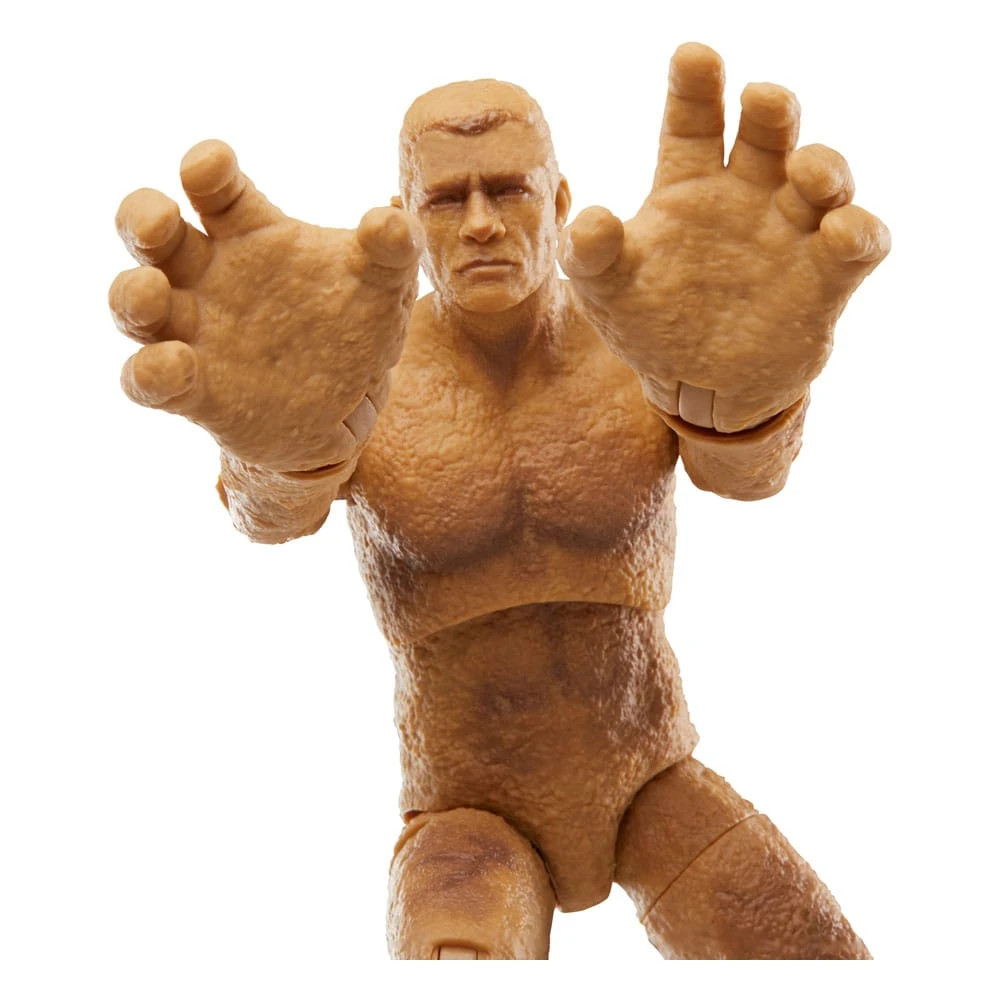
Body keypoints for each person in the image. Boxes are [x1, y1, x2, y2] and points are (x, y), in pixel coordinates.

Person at [109, 43, 889, 959]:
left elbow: (747, 478)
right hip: (468, 809)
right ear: (408, 219)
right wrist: (283, 454)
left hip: (654, 778)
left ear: (558, 204)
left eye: (509, 190)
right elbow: (269, 514)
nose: (481, 222)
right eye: (447, 199)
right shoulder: (360, 369)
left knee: (807, 948)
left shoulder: (638, 334)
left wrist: (753, 407)